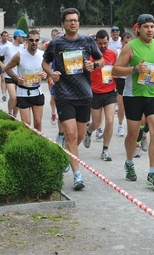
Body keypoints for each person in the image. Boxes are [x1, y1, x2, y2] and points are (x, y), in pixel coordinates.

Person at [42, 7, 104, 190]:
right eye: (69, 20)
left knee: (78, 135)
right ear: (63, 24)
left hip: (84, 94)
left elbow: (102, 61)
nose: (72, 23)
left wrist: (93, 64)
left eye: (75, 20)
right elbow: (44, 63)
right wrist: (51, 73)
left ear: (79, 22)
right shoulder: (56, 44)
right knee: (70, 134)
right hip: (64, 94)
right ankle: (78, 175)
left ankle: (68, 155)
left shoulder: (87, 41)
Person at [112, 13, 154, 190]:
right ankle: (129, 163)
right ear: (138, 29)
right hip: (134, 95)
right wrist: (135, 69)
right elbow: (115, 70)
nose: (150, 30)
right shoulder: (130, 47)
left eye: (152, 26)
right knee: (133, 134)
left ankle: (153, 173)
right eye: (146, 27)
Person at [83, 29, 117, 161]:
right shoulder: (90, 56)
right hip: (95, 92)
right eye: (100, 43)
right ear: (96, 42)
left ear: (108, 41)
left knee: (109, 121)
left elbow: (117, 69)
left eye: (105, 43)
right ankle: (89, 131)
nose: (103, 46)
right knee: (96, 124)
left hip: (110, 92)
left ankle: (105, 150)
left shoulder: (113, 54)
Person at [3, 30, 46, 130]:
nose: (34, 42)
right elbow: (7, 68)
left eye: (36, 40)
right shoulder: (19, 55)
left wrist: (45, 74)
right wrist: (16, 78)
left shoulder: (42, 54)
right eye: (31, 40)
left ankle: (37, 144)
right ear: (26, 40)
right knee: (27, 124)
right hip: (23, 93)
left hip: (38, 92)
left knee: (38, 122)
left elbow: (47, 69)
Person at [0, 29, 27, 117]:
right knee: (13, 97)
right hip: (9, 75)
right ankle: (9, 113)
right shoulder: (7, 47)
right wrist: (3, 66)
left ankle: (14, 117)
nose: (24, 38)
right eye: (22, 37)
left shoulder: (23, 47)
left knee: (18, 99)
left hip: (20, 76)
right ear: (17, 37)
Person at [115, 32, 133, 137]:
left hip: (130, 80)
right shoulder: (117, 52)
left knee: (131, 108)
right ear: (121, 41)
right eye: (125, 42)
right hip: (120, 81)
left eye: (129, 43)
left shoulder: (133, 51)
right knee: (121, 107)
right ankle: (120, 125)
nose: (127, 45)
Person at [0, 31, 10, 102]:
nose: (5, 37)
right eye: (4, 36)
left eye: (7, 36)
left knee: (3, 78)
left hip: (3, 63)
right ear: (1, 36)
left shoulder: (9, 44)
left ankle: (4, 94)